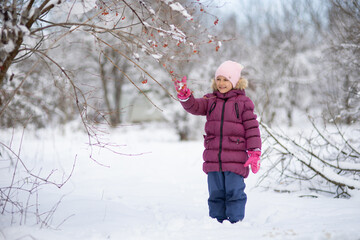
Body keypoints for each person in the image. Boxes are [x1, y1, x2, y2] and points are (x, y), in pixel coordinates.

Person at [173, 60, 261, 224]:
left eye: (226, 79)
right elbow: (195, 106)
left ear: (235, 81)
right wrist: (185, 96)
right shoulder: (210, 100)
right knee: (215, 193)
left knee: (235, 192)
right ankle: (216, 223)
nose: (221, 83)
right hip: (213, 158)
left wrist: (254, 151)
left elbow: (252, 128)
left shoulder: (243, 103)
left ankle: (235, 223)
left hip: (235, 159)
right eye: (218, 79)